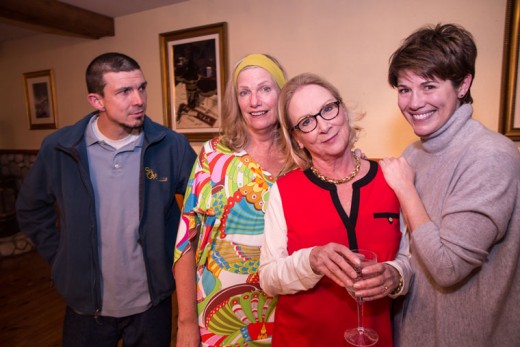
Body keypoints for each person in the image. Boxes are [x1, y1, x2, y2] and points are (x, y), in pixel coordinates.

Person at [15, 52, 197, 346]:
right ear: (96, 101)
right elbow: (31, 208)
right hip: (86, 307)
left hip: (152, 303)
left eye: (141, 87)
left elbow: (202, 208)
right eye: (124, 91)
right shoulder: (60, 147)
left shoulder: (170, 145)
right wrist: (61, 255)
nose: (138, 99)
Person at [380, 23, 520, 347]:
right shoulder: (412, 153)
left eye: (429, 86)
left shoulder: (491, 155)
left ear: (462, 84)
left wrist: (406, 189)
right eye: (404, 89)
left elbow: (448, 267)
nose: (414, 103)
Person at [259, 72, 412, 347]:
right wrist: (311, 260)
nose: (323, 126)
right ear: (297, 140)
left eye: (328, 109)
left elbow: (410, 257)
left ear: (343, 110)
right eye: (306, 122)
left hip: (377, 340)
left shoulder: (390, 179)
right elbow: (268, 278)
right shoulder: (284, 191)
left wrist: (396, 275)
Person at [173, 53, 288, 346]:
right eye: (244, 92)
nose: (254, 101)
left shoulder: (303, 156)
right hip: (220, 314)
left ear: (282, 93)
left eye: (265, 89)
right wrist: (185, 322)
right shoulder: (214, 155)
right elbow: (185, 241)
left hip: (291, 310)